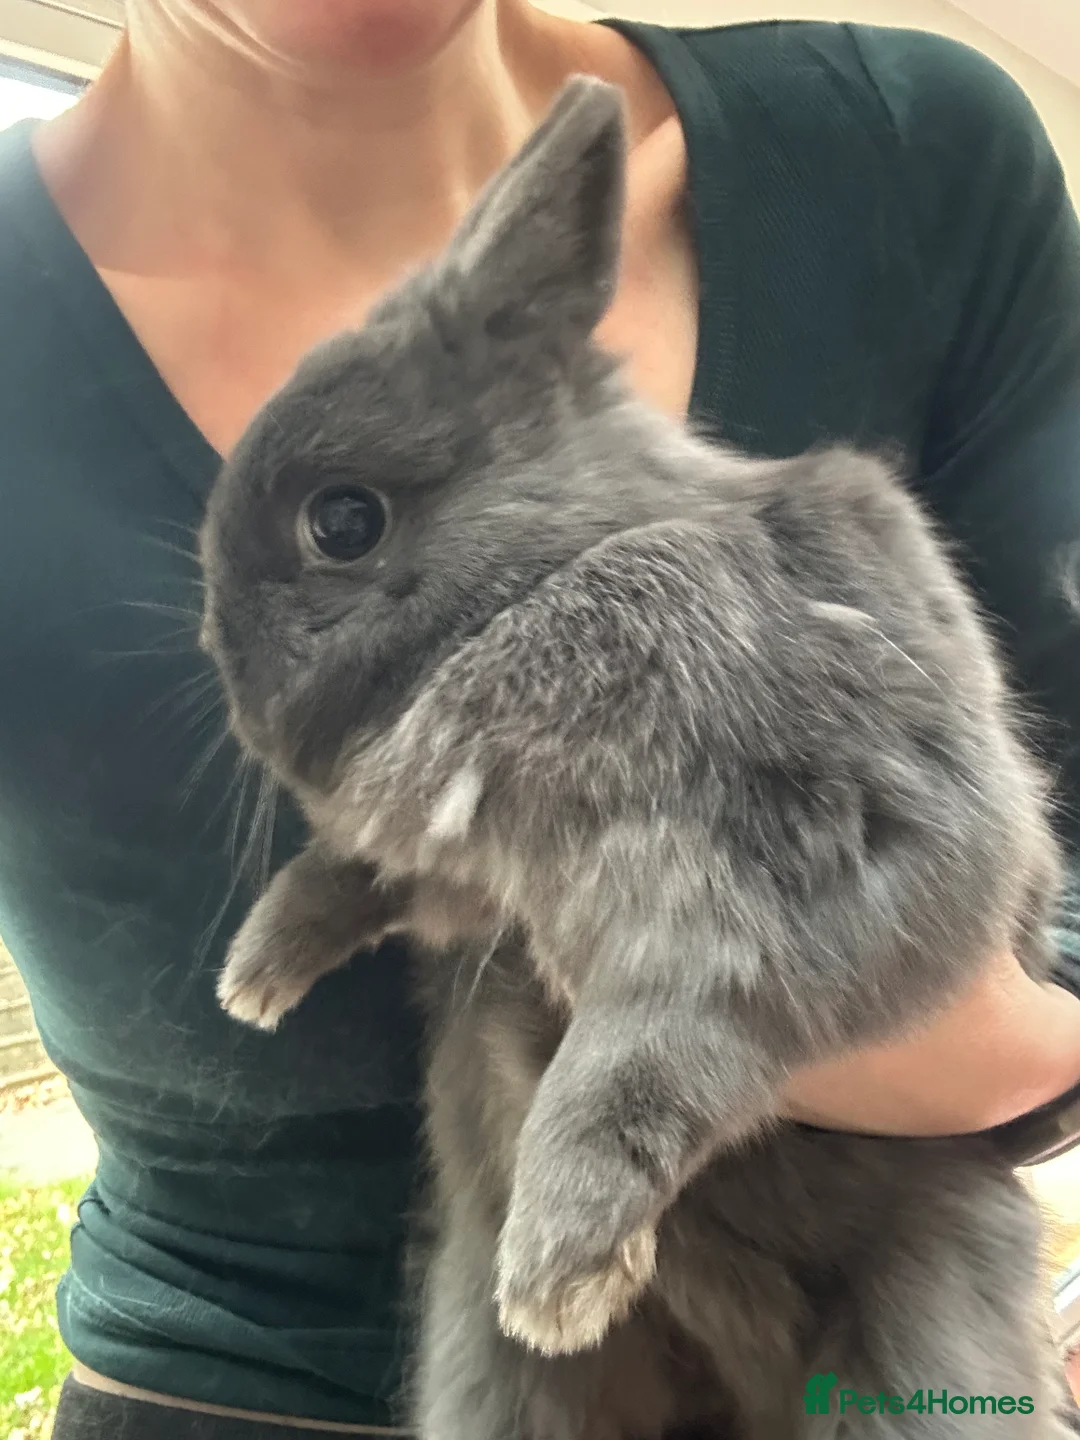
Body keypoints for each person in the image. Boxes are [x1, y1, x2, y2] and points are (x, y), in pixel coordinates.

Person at [1, 1, 1079, 1436]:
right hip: (284, 1375)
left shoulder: (902, 161)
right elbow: (468, 840)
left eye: (343, 526)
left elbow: (966, 857)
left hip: (873, 1280)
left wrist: (989, 1041)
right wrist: (363, 884)